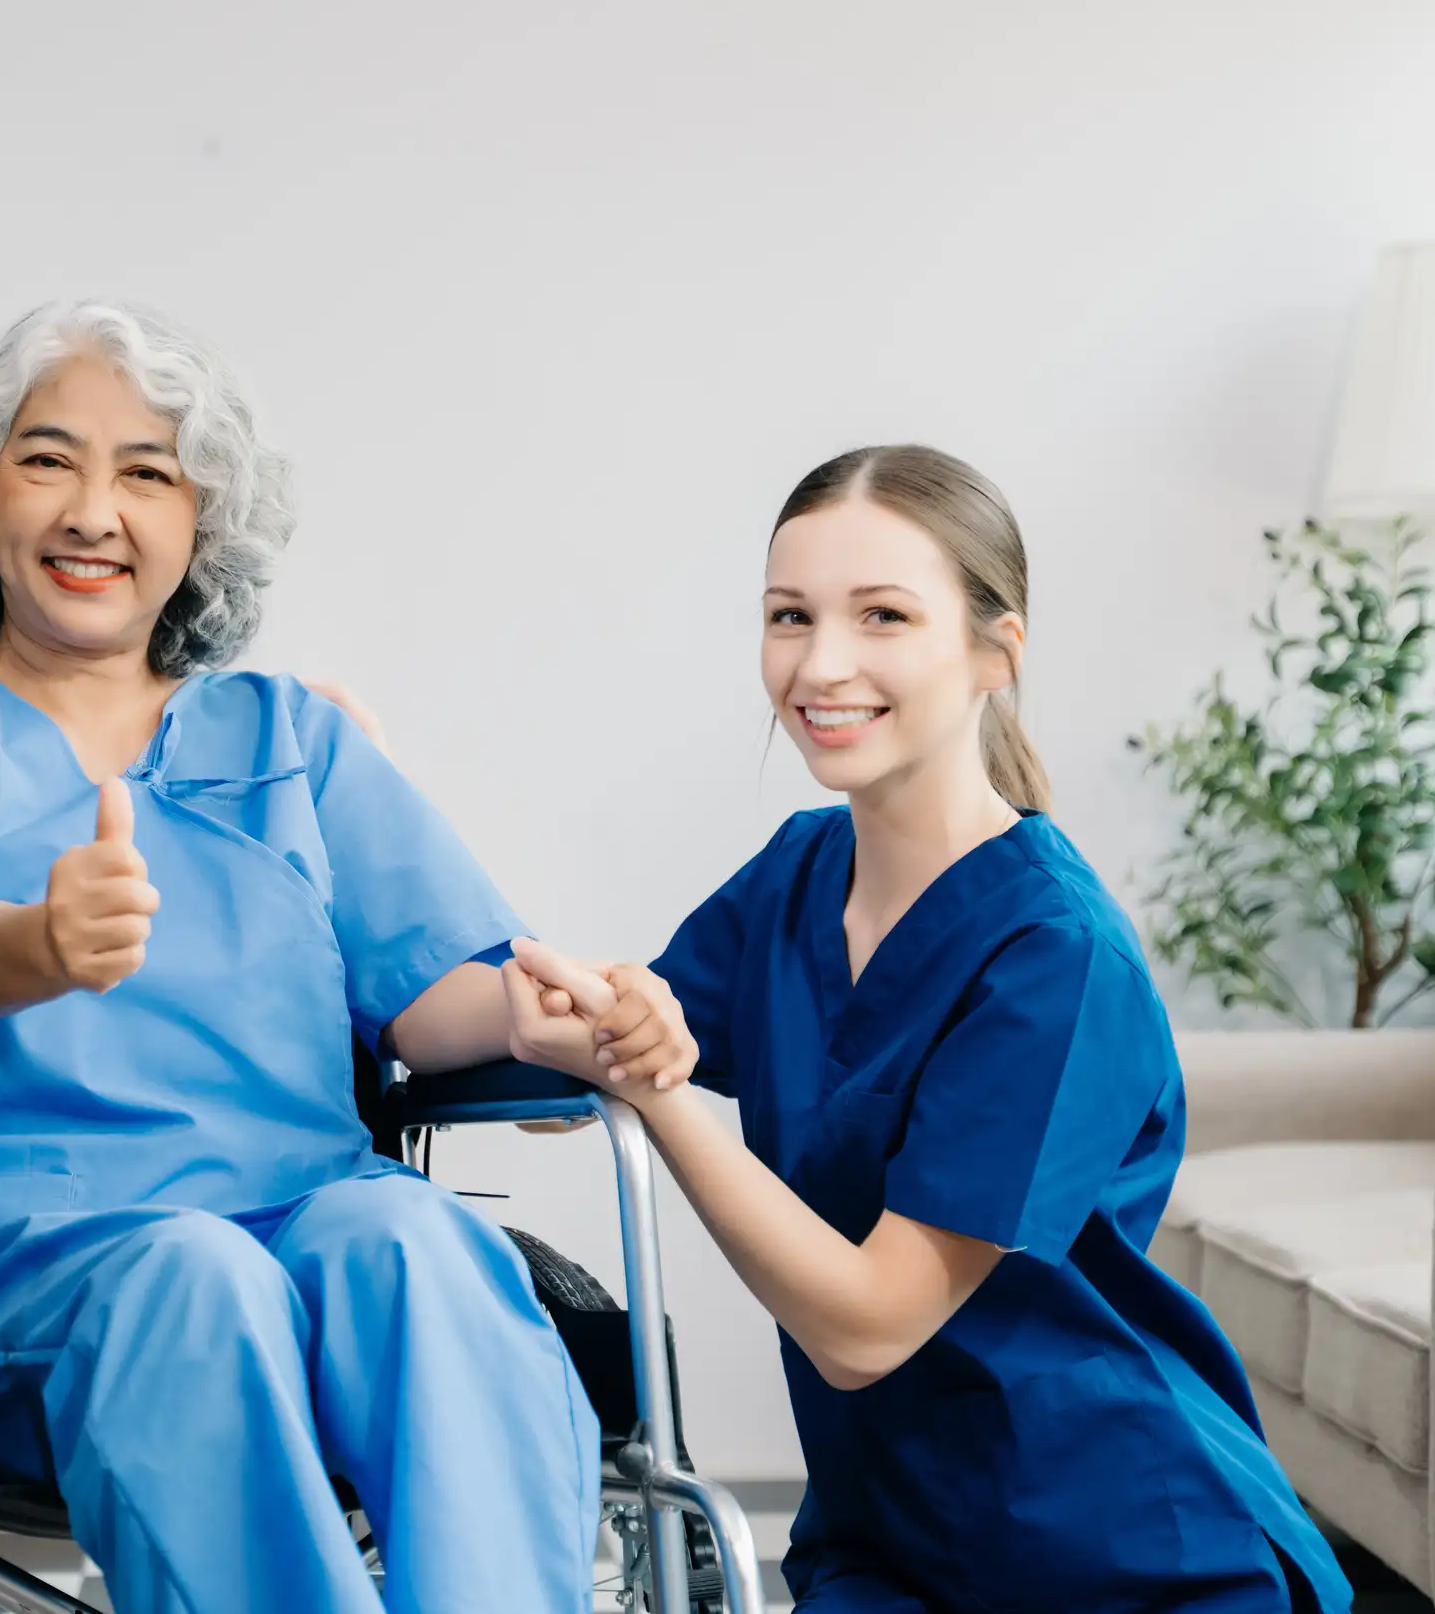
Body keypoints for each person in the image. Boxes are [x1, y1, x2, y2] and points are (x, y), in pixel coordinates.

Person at [0, 299, 599, 1614]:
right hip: (22, 1266)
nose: (94, 510)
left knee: (417, 1239)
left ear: (201, 526)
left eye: (146, 471)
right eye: (49, 459)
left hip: (301, 1220)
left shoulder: (292, 737)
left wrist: (542, 1012)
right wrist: (38, 938)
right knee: (194, 1272)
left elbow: (432, 989)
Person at [503, 446, 1354, 1612]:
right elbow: (613, 1034)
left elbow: (865, 1325)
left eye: (884, 615)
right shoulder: (801, 875)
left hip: (1123, 1548)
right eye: (789, 614)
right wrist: (579, 1013)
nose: (822, 663)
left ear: (995, 651)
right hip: (889, 1540)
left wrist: (653, 1094)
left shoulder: (1054, 953)